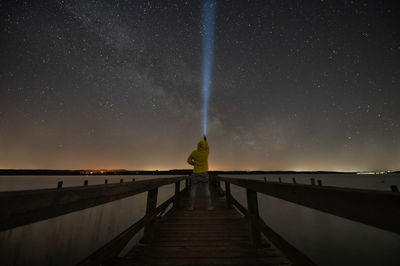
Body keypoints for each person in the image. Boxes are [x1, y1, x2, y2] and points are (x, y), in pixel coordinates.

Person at [187, 135, 213, 210]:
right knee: (206, 189)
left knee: (193, 189)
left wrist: (194, 164)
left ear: (198, 146)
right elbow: (207, 147)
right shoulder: (206, 153)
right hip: (204, 173)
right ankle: (209, 206)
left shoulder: (194, 152)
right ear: (204, 146)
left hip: (195, 173)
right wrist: (206, 141)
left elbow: (188, 160)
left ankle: (191, 206)